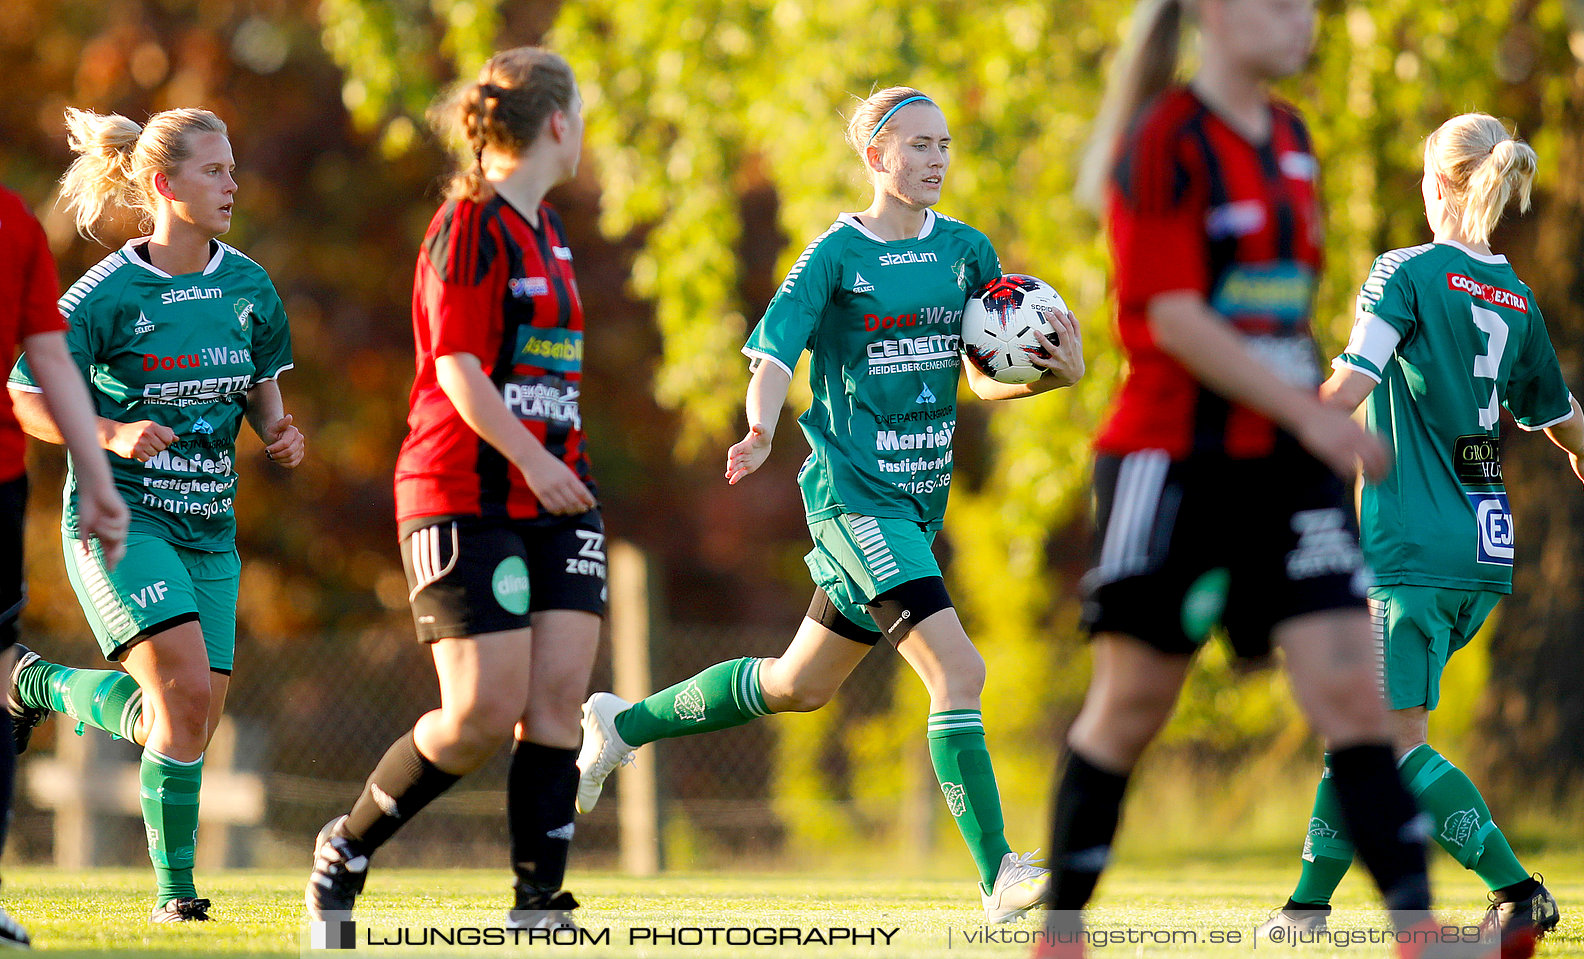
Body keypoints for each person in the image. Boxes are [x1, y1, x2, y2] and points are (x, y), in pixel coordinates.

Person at [1034, 2, 1534, 958]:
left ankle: (1419, 934)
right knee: (1131, 706)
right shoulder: (1166, 139)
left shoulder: (1296, 143)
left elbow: (1284, 319)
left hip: (1287, 473)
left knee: (1360, 704)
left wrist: (1306, 419)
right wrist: (1309, 411)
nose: (1304, 17)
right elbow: (1172, 317)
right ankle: (1059, 935)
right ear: (1217, 14)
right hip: (1170, 460)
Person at [571, 86, 1085, 925]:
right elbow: (773, 351)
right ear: (876, 156)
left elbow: (985, 368)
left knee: (796, 685)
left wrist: (1054, 371)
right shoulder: (834, 257)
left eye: (945, 144)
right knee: (959, 670)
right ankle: (1000, 876)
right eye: (918, 145)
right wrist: (761, 424)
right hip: (855, 502)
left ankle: (621, 723)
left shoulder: (966, 251)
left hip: (917, 504)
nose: (936, 159)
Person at [1258, 113, 1584, 945]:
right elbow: (1555, 411)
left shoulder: (1403, 273)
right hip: (1481, 547)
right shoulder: (1514, 293)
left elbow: (1349, 386)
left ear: (1437, 184)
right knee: (1363, 723)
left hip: (1408, 545)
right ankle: (1305, 909)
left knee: (1392, 741)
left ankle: (1517, 890)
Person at [305, 47, 601, 930]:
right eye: (579, 113)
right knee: (478, 715)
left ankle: (538, 905)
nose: (583, 130)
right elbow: (460, 371)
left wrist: (559, 469)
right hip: (462, 494)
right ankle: (347, 843)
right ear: (556, 122)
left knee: (556, 704)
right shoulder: (468, 224)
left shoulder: (548, 229)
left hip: (558, 497)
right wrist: (535, 462)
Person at [6, 107, 303, 923]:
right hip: (121, 523)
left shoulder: (249, 284)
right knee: (178, 700)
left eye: (233, 167)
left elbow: (261, 388)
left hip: (212, 531)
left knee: (185, 720)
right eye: (214, 171)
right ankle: (178, 898)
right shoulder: (105, 294)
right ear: (165, 185)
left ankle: (35, 681)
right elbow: (23, 395)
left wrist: (279, 430)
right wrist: (108, 432)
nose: (232, 185)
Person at [0, 184, 133, 945]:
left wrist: (99, 468)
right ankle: (33, 682)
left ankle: (30, 682)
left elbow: (45, 359)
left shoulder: (15, 225)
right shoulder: (26, 223)